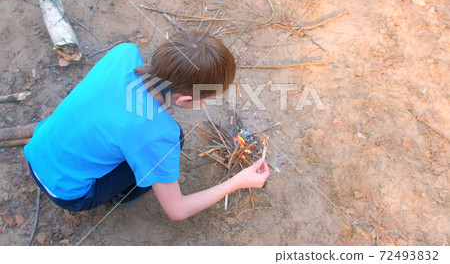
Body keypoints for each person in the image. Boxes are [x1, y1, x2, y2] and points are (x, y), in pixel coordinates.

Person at [25, 30, 270, 220]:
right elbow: (178, 210)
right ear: (185, 99)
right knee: (176, 140)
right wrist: (238, 181)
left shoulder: (124, 53)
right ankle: (123, 195)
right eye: (206, 97)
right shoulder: (158, 134)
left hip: (37, 148)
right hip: (69, 193)